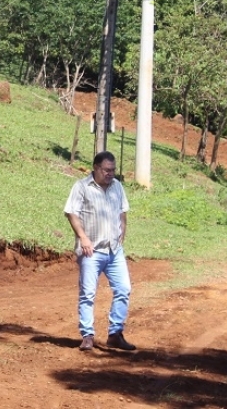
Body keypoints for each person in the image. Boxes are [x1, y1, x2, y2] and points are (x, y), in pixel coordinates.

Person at [64, 150, 136, 352]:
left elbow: (123, 211)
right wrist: (83, 238)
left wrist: (123, 229)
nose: (110, 173)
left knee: (123, 289)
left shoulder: (117, 187)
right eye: (106, 170)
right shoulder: (81, 187)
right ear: (96, 168)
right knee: (88, 294)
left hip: (114, 251)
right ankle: (87, 335)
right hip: (91, 251)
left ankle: (115, 334)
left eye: (113, 170)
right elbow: (71, 213)